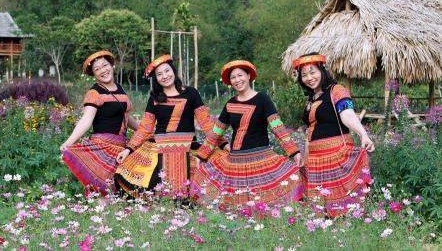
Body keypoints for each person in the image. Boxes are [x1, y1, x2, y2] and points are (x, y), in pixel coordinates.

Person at [194, 60, 304, 207]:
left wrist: (294, 151)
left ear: (248, 76)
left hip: (261, 159)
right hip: (236, 162)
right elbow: (216, 133)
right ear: (230, 82)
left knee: (263, 203)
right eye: (233, 77)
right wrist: (202, 155)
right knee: (239, 205)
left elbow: (278, 128)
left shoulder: (263, 99)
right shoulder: (230, 104)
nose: (237, 80)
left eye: (240, 75)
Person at [114, 55, 219, 199]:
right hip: (159, 148)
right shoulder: (155, 98)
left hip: (188, 147)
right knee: (151, 188)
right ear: (156, 79)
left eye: (167, 71)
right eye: (159, 74)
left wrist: (223, 144)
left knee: (194, 194)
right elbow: (145, 128)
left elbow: (205, 123)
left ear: (173, 71)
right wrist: (128, 149)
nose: (164, 76)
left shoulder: (191, 93)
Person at [292, 52, 374, 217]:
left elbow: (347, 114)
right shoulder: (311, 98)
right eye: (304, 75)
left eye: (312, 72)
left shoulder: (337, 90)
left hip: (335, 154)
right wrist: (306, 160)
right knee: (320, 209)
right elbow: (310, 131)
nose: (309, 77)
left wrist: (363, 134)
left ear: (323, 71)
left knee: (342, 205)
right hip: (315, 158)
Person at [61, 51, 139, 197]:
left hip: (121, 149)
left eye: (105, 65)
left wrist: (145, 131)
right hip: (103, 149)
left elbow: (126, 117)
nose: (103, 70)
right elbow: (86, 120)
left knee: (118, 194)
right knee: (104, 194)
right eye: (97, 69)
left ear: (112, 65)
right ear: (94, 74)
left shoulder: (120, 88)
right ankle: (100, 219)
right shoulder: (94, 93)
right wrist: (68, 142)